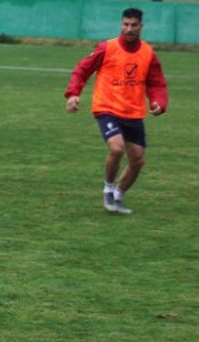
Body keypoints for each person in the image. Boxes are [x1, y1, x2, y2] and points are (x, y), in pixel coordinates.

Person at [65, 8, 168, 214]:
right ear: (121, 24)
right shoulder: (107, 47)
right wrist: (73, 93)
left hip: (133, 111)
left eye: (133, 25)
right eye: (125, 25)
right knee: (116, 148)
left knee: (138, 160)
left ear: (141, 26)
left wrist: (158, 101)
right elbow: (83, 69)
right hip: (107, 107)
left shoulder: (148, 53)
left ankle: (118, 195)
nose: (128, 29)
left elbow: (156, 82)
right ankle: (108, 188)